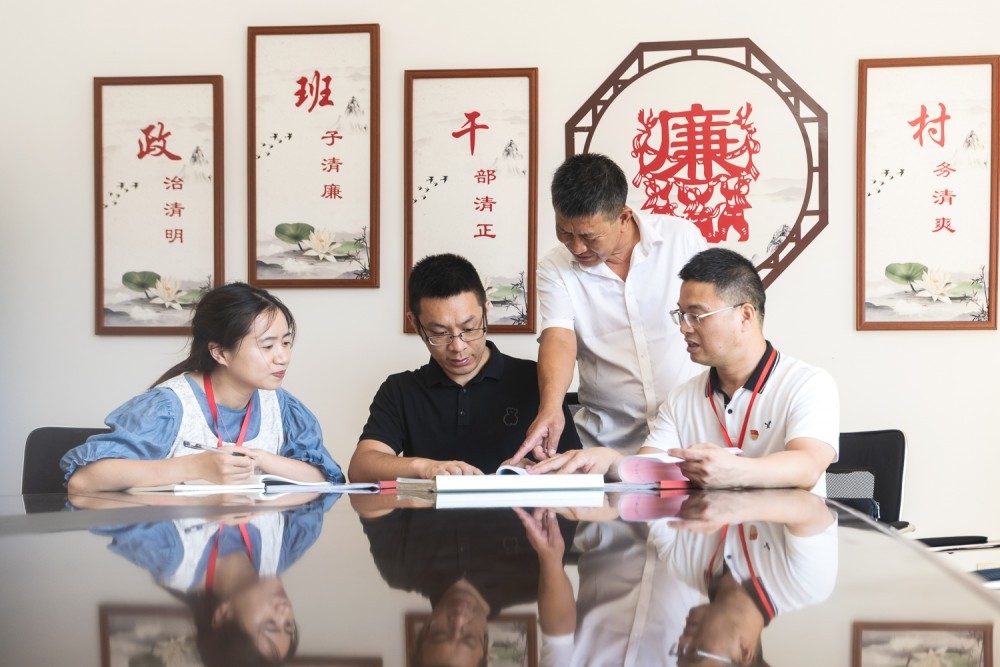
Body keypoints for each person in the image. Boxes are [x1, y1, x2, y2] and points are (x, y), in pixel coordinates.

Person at [529, 247, 839, 493]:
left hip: (784, 545)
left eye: (696, 316)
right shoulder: (682, 398)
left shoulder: (807, 384)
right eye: (680, 315)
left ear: (745, 316)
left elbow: (808, 465)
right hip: (705, 545)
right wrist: (610, 461)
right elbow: (648, 469)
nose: (683, 328)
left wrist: (734, 471)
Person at [510, 152, 706, 463]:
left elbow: (714, 316)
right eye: (565, 232)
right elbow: (559, 336)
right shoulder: (555, 267)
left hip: (690, 437)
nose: (577, 248)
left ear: (623, 217)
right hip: (606, 445)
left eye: (589, 236)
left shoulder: (681, 240)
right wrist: (551, 408)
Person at [62, 282, 345, 492]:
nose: (282, 357)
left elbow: (323, 478)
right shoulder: (169, 406)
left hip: (255, 543)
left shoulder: (282, 406)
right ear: (220, 353)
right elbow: (84, 480)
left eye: (286, 342)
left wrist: (260, 458)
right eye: (268, 346)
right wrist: (196, 466)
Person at [348, 253, 581, 481]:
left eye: (469, 329)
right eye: (440, 333)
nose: (458, 347)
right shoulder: (400, 389)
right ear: (416, 325)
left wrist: (533, 473)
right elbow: (361, 466)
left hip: (520, 508)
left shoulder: (538, 380)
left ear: (486, 310)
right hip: (431, 509)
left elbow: (578, 470)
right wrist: (425, 467)